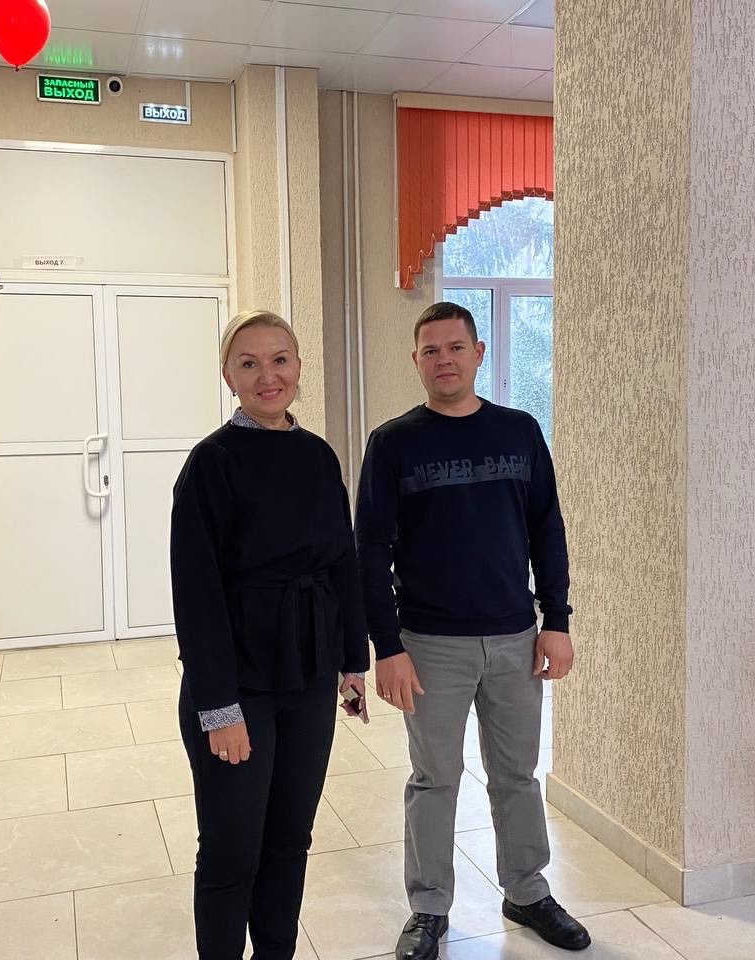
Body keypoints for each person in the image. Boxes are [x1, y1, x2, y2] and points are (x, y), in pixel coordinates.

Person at [355, 301, 590, 958]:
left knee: (517, 774)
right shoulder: (394, 443)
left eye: (456, 347)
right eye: (431, 351)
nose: (444, 360)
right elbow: (369, 548)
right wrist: (387, 647)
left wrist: (557, 621)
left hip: (516, 638)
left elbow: (547, 529)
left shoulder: (519, 431)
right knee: (434, 780)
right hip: (430, 645)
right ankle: (430, 907)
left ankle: (527, 891)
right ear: (416, 361)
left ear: (479, 353)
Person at [171, 309, 370, 960]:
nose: (268, 376)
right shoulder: (211, 464)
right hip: (238, 683)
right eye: (249, 363)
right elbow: (196, 598)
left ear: (298, 368)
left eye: (280, 360)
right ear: (228, 375)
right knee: (233, 848)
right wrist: (219, 709)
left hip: (308, 676)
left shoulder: (317, 455)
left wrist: (352, 662)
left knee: (290, 840)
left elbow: (342, 562)